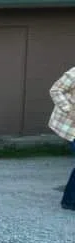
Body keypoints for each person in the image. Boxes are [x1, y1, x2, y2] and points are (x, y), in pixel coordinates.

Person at [49, 66, 75, 211]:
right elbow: (56, 90)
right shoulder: (74, 73)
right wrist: (69, 110)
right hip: (72, 125)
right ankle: (69, 201)